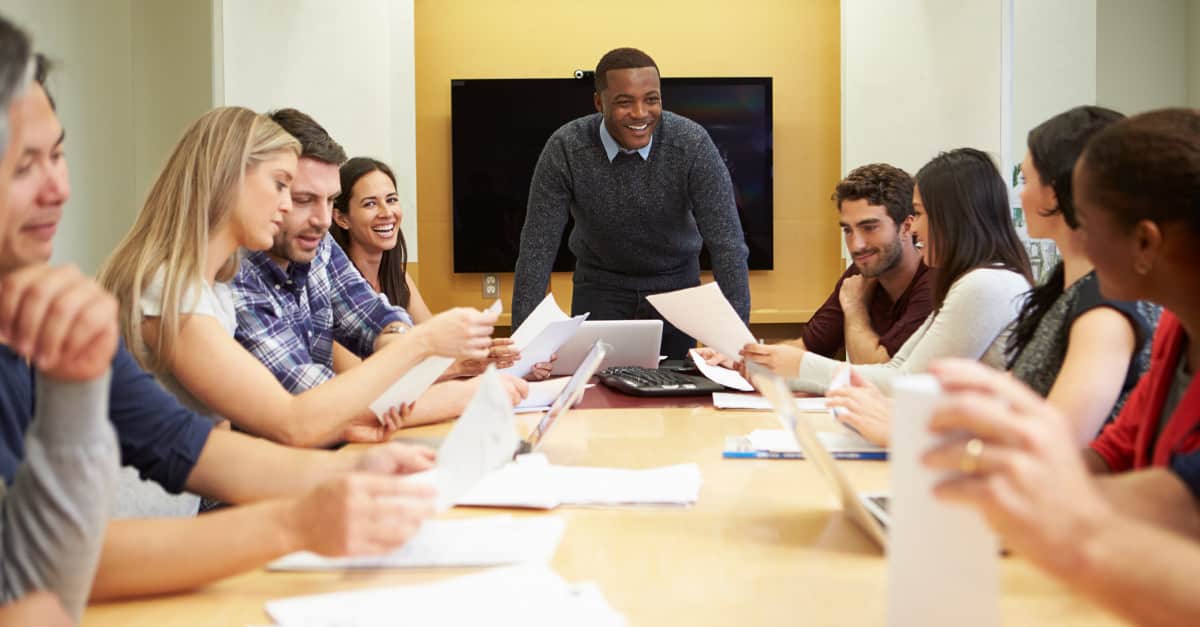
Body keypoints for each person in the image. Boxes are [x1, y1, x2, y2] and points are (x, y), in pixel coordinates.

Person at [3, 53, 442, 601]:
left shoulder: (82, 314)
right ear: (225, 181)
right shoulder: (168, 294)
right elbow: (40, 554)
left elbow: (191, 444)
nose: (292, 210)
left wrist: (351, 475)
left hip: (161, 558)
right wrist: (300, 517)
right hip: (139, 562)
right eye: (284, 187)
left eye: (58, 156)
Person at [922, 110, 1200, 626]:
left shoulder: (1114, 313)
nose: (1081, 243)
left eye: (1089, 224)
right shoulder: (1174, 334)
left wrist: (1064, 523)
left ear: (1146, 243)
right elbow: (1133, 466)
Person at [100, 106, 499, 450]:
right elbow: (294, 420)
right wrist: (424, 348)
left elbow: (220, 448)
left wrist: (355, 430)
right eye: (284, 187)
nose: (315, 216)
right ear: (227, 182)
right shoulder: (179, 289)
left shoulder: (211, 288)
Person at [828, 107, 1159, 447]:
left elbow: (1055, 444)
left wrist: (911, 433)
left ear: (1060, 191)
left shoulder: (1103, 310)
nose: (1017, 195)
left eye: (1026, 180)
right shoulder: (1067, 290)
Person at [230, 110, 529, 426]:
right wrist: (457, 380)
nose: (322, 220)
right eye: (304, 199)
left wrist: (418, 347)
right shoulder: (236, 279)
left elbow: (375, 318)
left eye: (330, 201)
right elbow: (313, 407)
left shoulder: (320, 248)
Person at [511, 47, 750, 360]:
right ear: (599, 102)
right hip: (600, 287)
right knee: (595, 392)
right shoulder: (566, 148)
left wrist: (736, 348)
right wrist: (525, 350)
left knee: (676, 397)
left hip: (677, 290)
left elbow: (728, 245)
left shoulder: (691, 144)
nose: (640, 113)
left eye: (651, 99)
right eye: (625, 102)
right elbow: (537, 250)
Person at [0, 20, 118, 622]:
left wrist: (74, 384)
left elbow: (29, 587)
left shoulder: (45, 305)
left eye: (59, 154)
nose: (60, 189)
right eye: (25, 167)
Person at [743, 148, 1032, 394]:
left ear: (952, 218)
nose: (915, 228)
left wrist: (795, 366)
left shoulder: (985, 285)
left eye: (918, 214)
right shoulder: (973, 281)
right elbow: (896, 372)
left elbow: (907, 384)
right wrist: (753, 361)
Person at [325, 153, 552, 379]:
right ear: (341, 218)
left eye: (392, 199)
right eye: (370, 204)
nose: (387, 213)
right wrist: (461, 366)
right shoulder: (331, 290)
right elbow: (360, 379)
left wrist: (504, 361)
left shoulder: (399, 277)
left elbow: (440, 354)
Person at [703, 163, 930, 367]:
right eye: (847, 230)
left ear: (907, 227)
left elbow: (878, 372)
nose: (856, 245)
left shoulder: (934, 281)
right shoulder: (862, 271)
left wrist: (855, 308)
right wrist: (739, 357)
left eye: (869, 227)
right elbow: (810, 347)